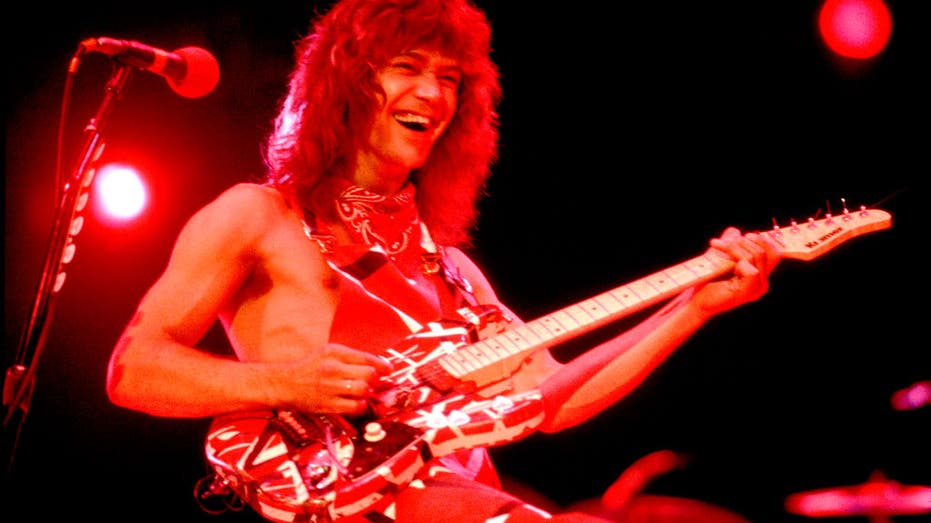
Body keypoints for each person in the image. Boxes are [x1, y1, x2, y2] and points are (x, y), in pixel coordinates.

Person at [105, 0, 780, 522]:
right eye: (408, 66)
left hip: (458, 496)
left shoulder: (452, 271)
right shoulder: (259, 214)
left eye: (448, 78)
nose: (432, 93)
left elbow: (552, 397)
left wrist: (690, 306)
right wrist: (286, 382)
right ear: (348, 79)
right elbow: (134, 369)